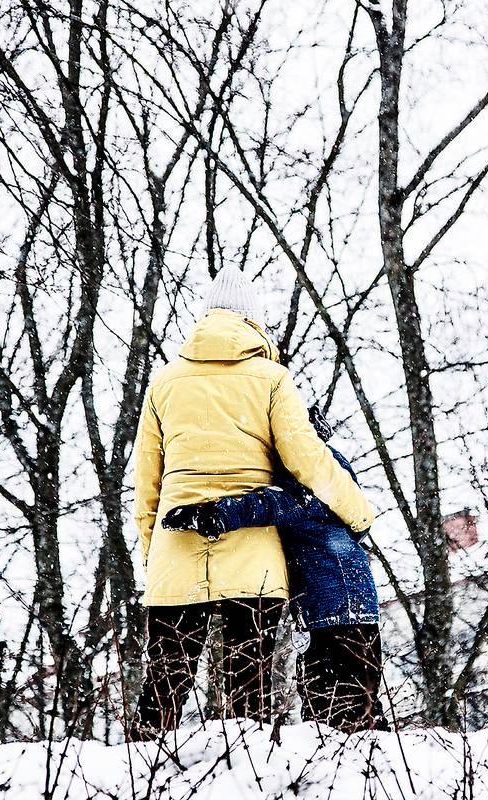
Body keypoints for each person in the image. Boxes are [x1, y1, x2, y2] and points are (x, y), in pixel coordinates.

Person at [132, 264, 374, 734]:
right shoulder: (271, 378)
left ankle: (141, 770)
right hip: (253, 551)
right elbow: (308, 460)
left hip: (175, 546)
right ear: (254, 323)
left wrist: (153, 555)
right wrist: (358, 513)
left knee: (165, 680)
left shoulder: (164, 382)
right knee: (250, 685)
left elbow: (148, 485)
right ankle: (249, 776)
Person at [163, 408, 387, 732]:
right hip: (338, 606)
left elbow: (268, 504)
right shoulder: (325, 469)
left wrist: (212, 514)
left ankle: (360, 764)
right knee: (337, 699)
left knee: (341, 705)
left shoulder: (311, 474)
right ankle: (358, 761)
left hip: (339, 607)